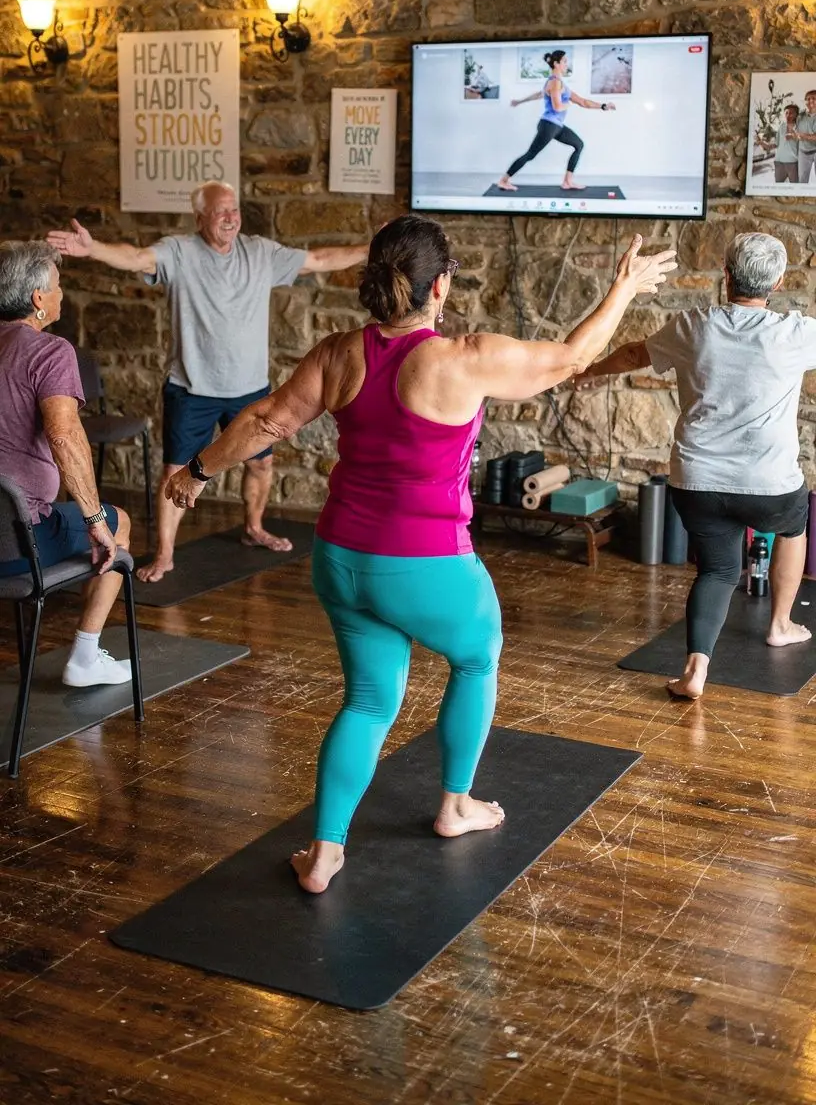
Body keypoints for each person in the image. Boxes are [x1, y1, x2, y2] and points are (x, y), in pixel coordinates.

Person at [165, 215, 676, 892]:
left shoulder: (337, 353)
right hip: (425, 562)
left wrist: (196, 471)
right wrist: (624, 288)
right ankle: (455, 805)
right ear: (440, 287)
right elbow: (570, 358)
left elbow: (266, 420)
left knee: (369, 702)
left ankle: (324, 852)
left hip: (340, 558)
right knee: (477, 656)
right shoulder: (461, 357)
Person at [47, 183, 368, 584]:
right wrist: (92, 248)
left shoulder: (261, 253)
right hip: (191, 388)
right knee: (174, 472)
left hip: (249, 387)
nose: (230, 218)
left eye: (234, 210)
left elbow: (320, 259)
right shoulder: (179, 252)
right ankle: (165, 555)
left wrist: (370, 248)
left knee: (261, 463)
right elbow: (136, 257)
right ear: (200, 218)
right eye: (220, 212)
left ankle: (253, 527)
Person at [573, 231, 814, 700]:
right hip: (769, 487)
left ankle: (695, 671)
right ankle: (780, 625)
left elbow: (634, 353)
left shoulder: (693, 326)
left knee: (718, 571)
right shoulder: (796, 333)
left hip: (697, 482)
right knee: (794, 527)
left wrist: (590, 371)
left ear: (726, 275)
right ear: (778, 282)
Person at [0, 242, 133, 687]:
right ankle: (85, 657)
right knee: (119, 523)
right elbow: (64, 435)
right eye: (58, 286)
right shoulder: (49, 351)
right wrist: (95, 520)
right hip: (21, 545)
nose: (62, 294)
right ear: (38, 298)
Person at [497, 49, 615, 193]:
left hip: (556, 126)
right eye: (564, 61)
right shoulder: (555, 82)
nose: (566, 64)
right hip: (549, 125)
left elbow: (583, 102)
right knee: (531, 154)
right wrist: (568, 104)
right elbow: (557, 107)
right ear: (556, 64)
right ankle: (504, 180)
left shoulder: (558, 84)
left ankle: (567, 181)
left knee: (578, 144)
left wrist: (603, 106)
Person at [791, 89, 816, 185]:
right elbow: (795, 132)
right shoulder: (800, 116)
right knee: (802, 180)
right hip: (803, 152)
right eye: (808, 99)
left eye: (814, 98)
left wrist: (802, 135)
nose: (811, 101)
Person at [774, 104, 800, 185]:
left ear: (796, 115)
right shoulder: (781, 126)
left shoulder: (800, 127)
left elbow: (804, 143)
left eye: (791, 113)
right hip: (779, 162)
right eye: (786, 113)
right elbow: (775, 144)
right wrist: (762, 143)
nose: (788, 115)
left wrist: (793, 135)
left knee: (795, 187)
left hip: (793, 163)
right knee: (778, 187)